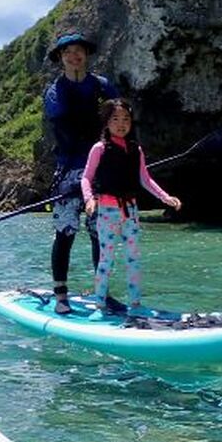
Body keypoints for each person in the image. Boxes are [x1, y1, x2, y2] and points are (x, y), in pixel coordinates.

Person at [81, 98, 181, 317]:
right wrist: (89, 199)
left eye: (126, 119)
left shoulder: (136, 150)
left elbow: (145, 179)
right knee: (106, 260)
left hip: (131, 212)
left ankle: (135, 305)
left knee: (134, 259)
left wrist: (165, 197)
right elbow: (86, 177)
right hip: (107, 212)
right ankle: (100, 306)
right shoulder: (99, 148)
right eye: (115, 119)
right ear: (107, 122)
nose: (121, 124)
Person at [43, 32, 119, 314]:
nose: (73, 56)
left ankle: (103, 293)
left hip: (101, 169)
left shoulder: (103, 86)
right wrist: (79, 177)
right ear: (61, 59)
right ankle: (61, 296)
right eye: (67, 53)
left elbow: (120, 122)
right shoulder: (55, 91)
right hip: (68, 171)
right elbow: (65, 128)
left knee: (101, 234)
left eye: (78, 51)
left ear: (86, 54)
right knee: (65, 233)